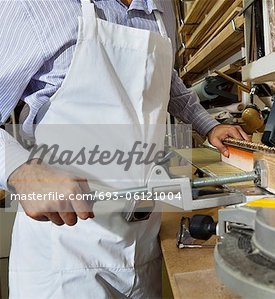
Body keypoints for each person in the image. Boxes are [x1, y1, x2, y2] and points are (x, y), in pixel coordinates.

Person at [0, 0, 248, 298]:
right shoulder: (33, 6)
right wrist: (20, 170)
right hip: (66, 254)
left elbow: (168, 81)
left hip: (142, 246)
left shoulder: (161, 10)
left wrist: (208, 125)